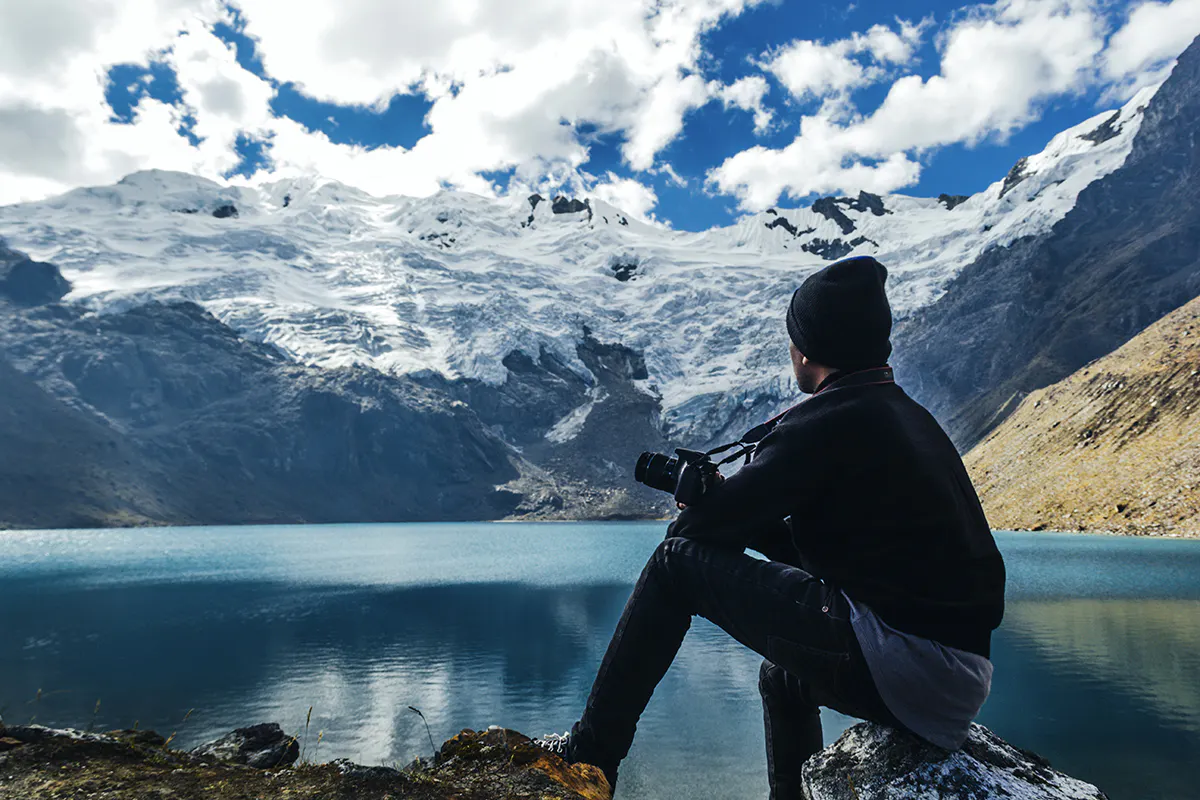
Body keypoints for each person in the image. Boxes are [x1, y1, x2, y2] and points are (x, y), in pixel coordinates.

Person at [533, 256, 1006, 799]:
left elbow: (683, 549)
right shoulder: (905, 416)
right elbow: (831, 565)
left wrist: (711, 511)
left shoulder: (821, 423)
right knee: (783, 677)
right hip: (958, 677)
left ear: (807, 348)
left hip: (906, 665)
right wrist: (744, 517)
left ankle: (591, 755)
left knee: (671, 568)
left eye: (792, 338)